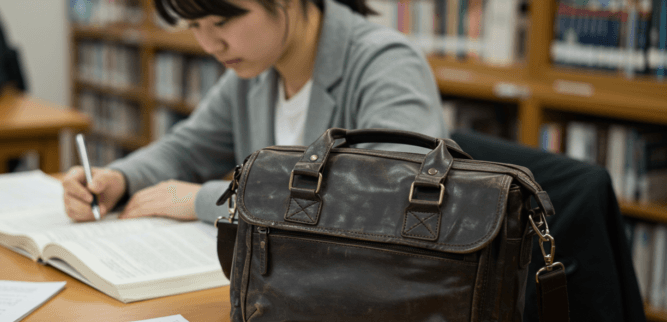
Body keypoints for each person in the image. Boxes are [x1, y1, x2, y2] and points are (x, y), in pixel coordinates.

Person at [63, 0, 448, 224]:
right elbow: (187, 149)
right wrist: (119, 178)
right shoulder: (254, 71)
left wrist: (204, 200)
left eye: (223, 20)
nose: (210, 43)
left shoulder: (386, 64)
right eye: (195, 24)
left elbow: (387, 199)